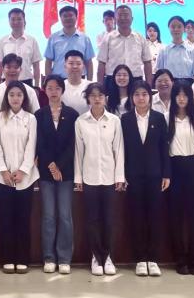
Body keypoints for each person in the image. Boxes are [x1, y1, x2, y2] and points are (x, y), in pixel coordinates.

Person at [73, 82, 124, 276]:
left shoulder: (114, 121)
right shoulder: (81, 122)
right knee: (92, 219)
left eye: (100, 95)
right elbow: (78, 152)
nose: (97, 99)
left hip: (110, 178)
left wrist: (119, 176)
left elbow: (119, 149)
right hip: (90, 177)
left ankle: (108, 256)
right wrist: (78, 178)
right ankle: (96, 257)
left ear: (106, 98)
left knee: (109, 219)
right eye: (93, 95)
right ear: (88, 99)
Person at [121, 81, 169, 277]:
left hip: (155, 175)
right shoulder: (125, 119)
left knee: (155, 217)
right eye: (137, 94)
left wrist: (166, 173)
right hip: (133, 176)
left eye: (144, 94)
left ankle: (153, 258)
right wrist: (122, 174)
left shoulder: (159, 118)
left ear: (150, 96)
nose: (141, 98)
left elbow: (164, 147)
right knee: (137, 217)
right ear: (132, 97)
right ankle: (140, 259)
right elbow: (121, 150)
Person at [0, 80, 38, 273]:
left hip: (25, 178)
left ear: (24, 98)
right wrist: (3, 170)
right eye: (12, 95)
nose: (15, 98)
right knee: (6, 219)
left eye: (19, 95)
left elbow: (31, 146)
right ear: (6, 97)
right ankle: (7, 258)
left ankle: (22, 258)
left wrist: (23, 170)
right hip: (4, 178)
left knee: (23, 219)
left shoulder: (31, 119)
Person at [35, 75, 78, 274]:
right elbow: (39, 143)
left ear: (62, 90)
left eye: (57, 88)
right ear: (45, 90)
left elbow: (72, 144)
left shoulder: (72, 114)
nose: (53, 91)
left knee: (65, 216)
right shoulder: (39, 114)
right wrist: (51, 166)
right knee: (49, 216)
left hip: (66, 172)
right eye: (49, 88)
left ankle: (64, 258)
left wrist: (59, 165)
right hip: (46, 172)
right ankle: (49, 257)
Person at [167, 80, 194, 275]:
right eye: (178, 94)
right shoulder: (166, 118)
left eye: (185, 95)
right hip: (174, 168)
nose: (182, 98)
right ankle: (180, 259)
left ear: (190, 98)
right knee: (175, 216)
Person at [97, 5, 152, 82]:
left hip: (135, 80)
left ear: (132, 19)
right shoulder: (108, 38)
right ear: (115, 19)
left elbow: (147, 62)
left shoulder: (140, 38)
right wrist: (100, 86)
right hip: (112, 80)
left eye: (126, 15)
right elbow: (101, 63)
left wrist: (148, 85)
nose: (123, 18)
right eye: (120, 15)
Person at [44, 5, 95, 79]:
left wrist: (89, 82)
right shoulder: (53, 38)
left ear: (76, 17)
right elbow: (48, 62)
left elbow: (89, 63)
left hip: (79, 79)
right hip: (59, 80)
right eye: (65, 16)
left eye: (71, 15)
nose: (68, 18)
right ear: (61, 18)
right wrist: (49, 81)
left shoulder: (85, 38)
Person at [0, 8, 42, 87]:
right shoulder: (3, 41)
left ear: (24, 21)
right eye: (13, 19)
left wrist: (37, 87)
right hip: (7, 82)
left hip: (26, 82)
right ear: (9, 21)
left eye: (19, 19)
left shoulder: (32, 40)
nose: (16, 22)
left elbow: (36, 66)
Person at [157, 16, 194, 81]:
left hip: (188, 85)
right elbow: (159, 72)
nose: (176, 29)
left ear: (184, 29)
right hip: (170, 84)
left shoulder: (193, 50)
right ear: (169, 28)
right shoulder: (163, 51)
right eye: (173, 27)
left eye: (179, 27)